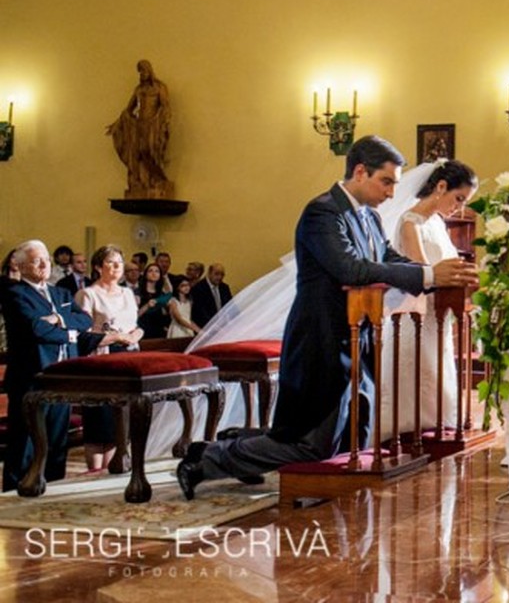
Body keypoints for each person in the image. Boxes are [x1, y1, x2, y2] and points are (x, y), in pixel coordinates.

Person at [175, 136, 478, 498]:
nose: (392, 192)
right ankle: (208, 458)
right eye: (386, 181)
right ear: (360, 172)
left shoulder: (368, 216)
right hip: (320, 339)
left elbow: (387, 258)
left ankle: (232, 442)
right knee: (312, 445)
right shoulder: (322, 213)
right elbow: (350, 269)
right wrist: (428, 276)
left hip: (357, 336)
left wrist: (435, 274)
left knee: (353, 437)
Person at [385, 159, 478, 435]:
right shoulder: (410, 223)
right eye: (458, 198)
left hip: (440, 314)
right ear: (440, 186)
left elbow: (448, 265)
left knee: (438, 374)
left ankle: (434, 427)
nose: (459, 208)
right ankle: (407, 430)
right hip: (418, 315)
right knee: (419, 376)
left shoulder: (437, 222)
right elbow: (423, 273)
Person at [0, 240, 93, 490]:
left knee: (56, 440)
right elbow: (35, 329)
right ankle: (13, 493)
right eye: (36, 260)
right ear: (20, 265)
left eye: (46, 259)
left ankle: (54, 490)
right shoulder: (14, 293)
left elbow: (85, 320)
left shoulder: (60, 293)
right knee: (26, 441)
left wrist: (59, 319)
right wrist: (69, 333)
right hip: (32, 377)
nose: (44, 264)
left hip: (62, 376)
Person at [75, 245, 143, 471]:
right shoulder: (88, 294)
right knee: (99, 419)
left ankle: (114, 468)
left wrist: (135, 334)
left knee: (120, 419)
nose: (117, 267)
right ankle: (94, 471)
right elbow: (81, 334)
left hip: (128, 356)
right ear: (97, 266)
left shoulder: (127, 293)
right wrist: (115, 336)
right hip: (101, 359)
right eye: (111, 263)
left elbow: (135, 325)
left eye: (120, 263)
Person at [107, 59, 173, 199]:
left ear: (149, 71)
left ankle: (157, 180)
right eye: (139, 72)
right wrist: (118, 124)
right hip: (140, 125)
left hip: (153, 126)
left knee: (148, 150)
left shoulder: (159, 88)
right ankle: (142, 182)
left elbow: (165, 106)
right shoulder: (139, 89)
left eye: (143, 71)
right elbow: (128, 109)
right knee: (136, 155)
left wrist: (163, 121)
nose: (141, 74)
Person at [190, 263, 232, 329]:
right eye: (216, 274)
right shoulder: (199, 288)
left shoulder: (224, 288)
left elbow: (231, 306)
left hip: (224, 326)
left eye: (222, 275)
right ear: (209, 273)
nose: (220, 277)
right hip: (206, 327)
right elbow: (200, 312)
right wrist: (214, 325)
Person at [136, 263, 172, 339]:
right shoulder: (138, 291)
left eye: (157, 271)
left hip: (159, 328)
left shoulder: (161, 293)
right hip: (143, 329)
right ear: (145, 274)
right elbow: (135, 315)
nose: (154, 273)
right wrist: (147, 306)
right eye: (150, 271)